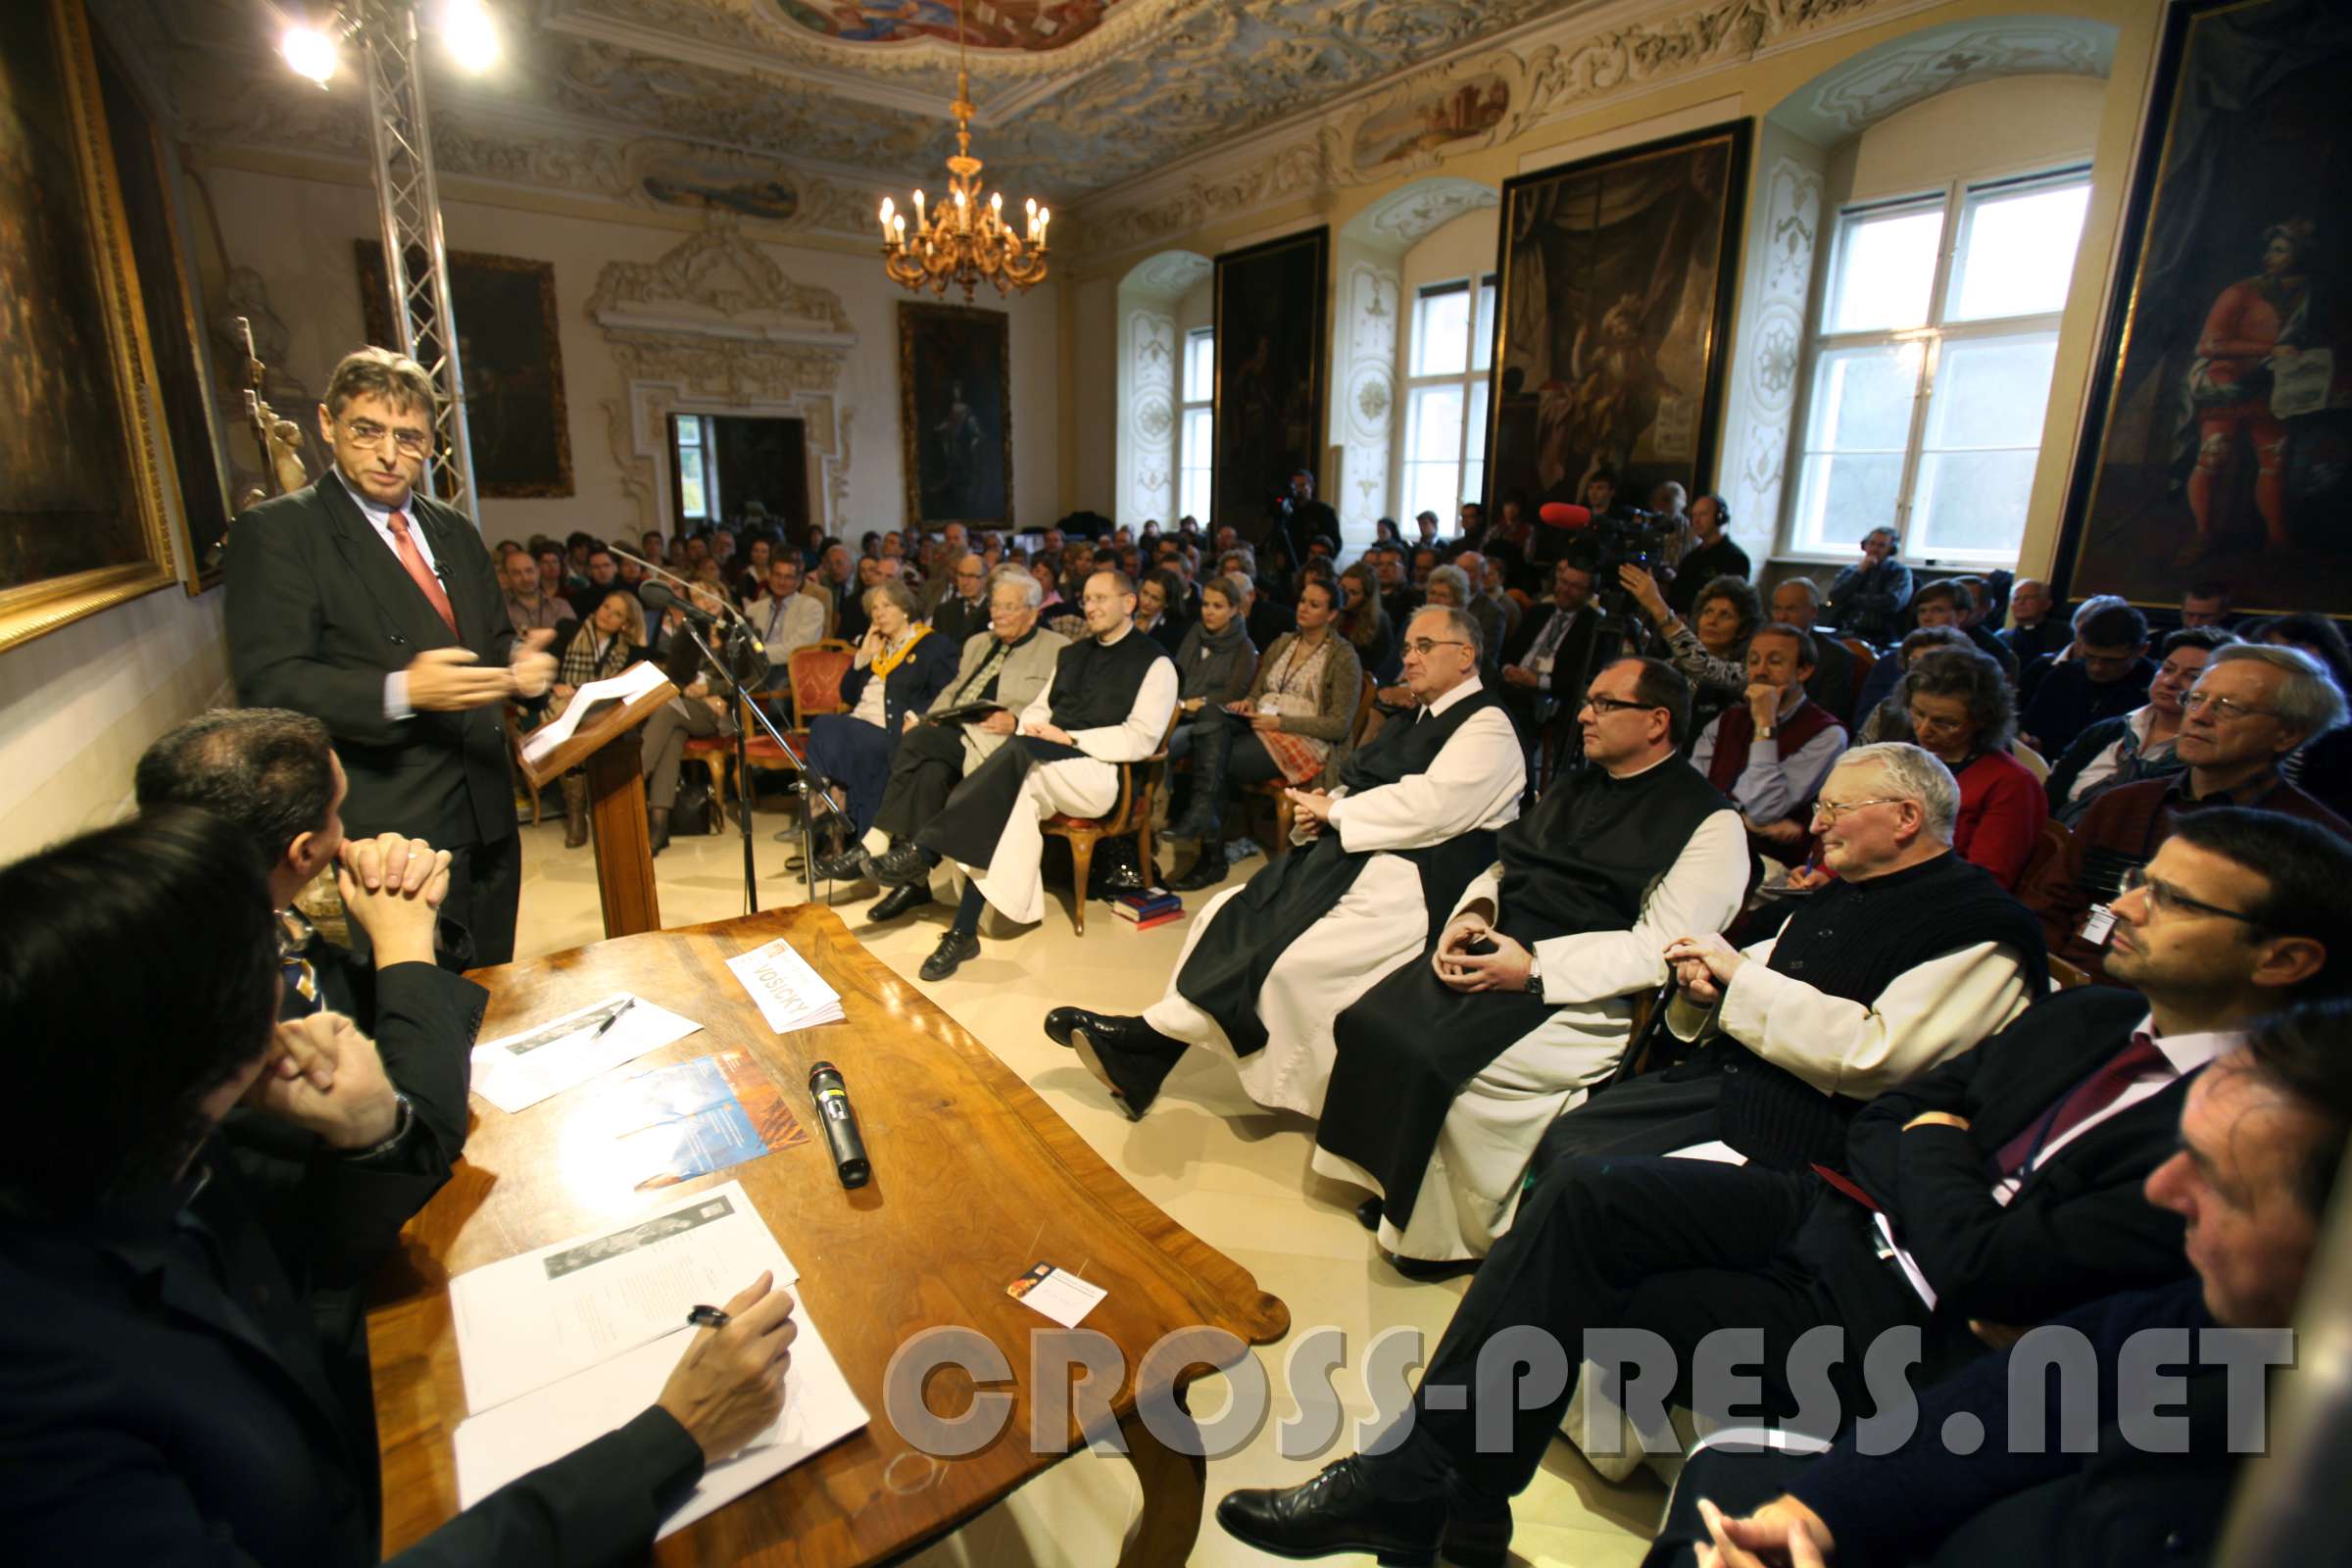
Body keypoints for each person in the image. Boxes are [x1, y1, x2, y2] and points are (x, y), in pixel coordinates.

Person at [1215, 806, 2352, 1565]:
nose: (2127, 905)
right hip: (1850, 1213)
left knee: (1574, 1290)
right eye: (2141, 880)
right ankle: (1429, 1484)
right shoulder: (2097, 1015)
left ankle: (1443, 1498)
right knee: (1590, 1194)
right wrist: (1944, 1155)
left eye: (2174, 899)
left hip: (1916, 1322)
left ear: (2286, 957)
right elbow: (1905, 1113)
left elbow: (1990, 1259)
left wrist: (1941, 1156)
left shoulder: (2265, 1125)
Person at [0, 809, 798, 1566]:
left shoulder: (146, 1154)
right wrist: (672, 1439)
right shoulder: (45, 1413)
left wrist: (371, 1132)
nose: (293, 971)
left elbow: (313, 1277)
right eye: (277, 949)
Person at [1647, 998, 2350, 1568]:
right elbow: (2006, 1402)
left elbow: (1984, 1266)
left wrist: (1934, 1149)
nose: (2165, 1190)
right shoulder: (2199, 1315)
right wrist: (1813, 1514)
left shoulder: (2304, 1493)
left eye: (2222, 1181)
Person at [1308, 657, 1745, 1267]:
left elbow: (1662, 946)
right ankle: (1396, 1185)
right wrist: (1473, 914)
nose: (1585, 715)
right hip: (1502, 942)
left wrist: (1534, 969)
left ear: (1657, 721)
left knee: (1436, 1056)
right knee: (1370, 1019)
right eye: (1587, 701)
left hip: (1582, 984)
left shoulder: (1710, 822)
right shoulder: (1575, 784)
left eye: (1604, 704)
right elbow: (1504, 865)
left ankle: (1448, 1236)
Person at [1043, 606, 1521, 1126]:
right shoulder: (1416, 718)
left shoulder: (1487, 726)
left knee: (1290, 957)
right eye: (1406, 647)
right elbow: (1367, 784)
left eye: (1424, 646)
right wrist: (1325, 808)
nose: (1408, 658)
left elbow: (1435, 807)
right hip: (1367, 852)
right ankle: (1147, 1052)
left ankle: (1146, 1043)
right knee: (1227, 911)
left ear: (1466, 655)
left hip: (1419, 878)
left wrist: (1338, 813)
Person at [1544, 743, 2043, 1174]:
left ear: (1906, 817)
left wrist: (1738, 978)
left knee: (1593, 1177)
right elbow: (1762, 974)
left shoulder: (1981, 930)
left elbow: (1878, 1059)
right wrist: (1706, 990)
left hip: (1822, 1141)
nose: (1817, 824)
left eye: (1835, 808)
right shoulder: (1847, 890)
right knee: (1569, 1136)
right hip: (1742, 1085)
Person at [223, 347, 557, 967]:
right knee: (417, 999)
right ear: (328, 423)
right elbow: (269, 685)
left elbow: (492, 638)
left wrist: (522, 666)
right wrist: (402, 691)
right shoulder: (279, 532)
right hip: (393, 822)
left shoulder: (454, 529)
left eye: (408, 438)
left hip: (488, 807)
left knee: (495, 988)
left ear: (429, 442)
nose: (387, 454)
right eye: (367, 431)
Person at [878, 570, 1177, 980]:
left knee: (1016, 761)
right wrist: (1037, 728)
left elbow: (1142, 738)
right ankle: (964, 931)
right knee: (1007, 796)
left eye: (1101, 599)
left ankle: (925, 851)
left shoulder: (1156, 662)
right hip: (1045, 762)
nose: (1090, 607)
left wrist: (1069, 737)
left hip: (1103, 773)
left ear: (1129, 603)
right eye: (1087, 599)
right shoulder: (1073, 653)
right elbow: (1039, 707)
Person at [133, 708, 488, 1039]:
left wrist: (417, 922)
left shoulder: (262, 908)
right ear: (304, 851)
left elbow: (346, 1003)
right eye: (336, 811)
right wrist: (403, 944)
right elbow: (418, 1087)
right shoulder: (218, 997)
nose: (343, 829)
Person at [2026, 644, 2350, 981]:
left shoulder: (2316, 843)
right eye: (2195, 699)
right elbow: (2048, 906)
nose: (2199, 716)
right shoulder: (2123, 803)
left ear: (2288, 734)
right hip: (2071, 984)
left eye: (2228, 707)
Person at [816, 566, 1067, 924]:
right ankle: (915, 880)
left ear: (1032, 611)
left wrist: (1016, 720)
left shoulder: (1057, 648)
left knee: (918, 742)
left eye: (1008, 607)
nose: (997, 613)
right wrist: (926, 716)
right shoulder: (978, 642)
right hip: (955, 729)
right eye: (995, 605)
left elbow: (1059, 707)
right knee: (929, 768)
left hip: (999, 740)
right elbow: (952, 690)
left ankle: (879, 840)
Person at [1164, 578, 1364, 882]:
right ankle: (1205, 826)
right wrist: (1247, 703)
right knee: (1209, 713)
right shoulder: (1284, 643)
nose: (1303, 608)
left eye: (1314, 605)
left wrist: (1281, 723)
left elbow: (1339, 724)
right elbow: (1257, 692)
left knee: (1216, 756)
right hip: (1261, 724)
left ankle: (1209, 851)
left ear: (1332, 614)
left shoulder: (1343, 656)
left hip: (1303, 738)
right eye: (1302, 601)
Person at [802, 578, 956, 857]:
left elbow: (945, 691)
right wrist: (862, 656)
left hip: (893, 729)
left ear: (905, 609)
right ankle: (829, 817)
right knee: (824, 725)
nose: (879, 613)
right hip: (859, 722)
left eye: (887, 606)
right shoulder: (877, 646)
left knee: (852, 743)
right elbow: (848, 694)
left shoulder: (933, 645)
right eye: (874, 608)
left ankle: (828, 824)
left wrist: (917, 716)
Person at [1890, 646, 2046, 890]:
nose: (1924, 730)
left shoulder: (2012, 783)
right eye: (1918, 713)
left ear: (1982, 720)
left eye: (1945, 723)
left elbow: (1984, 880)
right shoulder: (1902, 757)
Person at [1690, 621, 1844, 863]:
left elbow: (1764, 810)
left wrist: (1765, 723)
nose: (1760, 671)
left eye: (1774, 661)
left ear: (1804, 671)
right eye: (1753, 661)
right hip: (1707, 844)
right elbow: (1692, 795)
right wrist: (1747, 821)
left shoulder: (1828, 733)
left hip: (1770, 861)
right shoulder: (1727, 720)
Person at [2046, 626, 2234, 823]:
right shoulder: (2107, 731)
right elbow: (2051, 797)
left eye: (2193, 677)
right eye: (2168, 669)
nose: (2170, 682)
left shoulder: (2203, 752)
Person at [539, 591, 648, 848]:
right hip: (562, 700)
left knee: (604, 724)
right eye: (606, 606)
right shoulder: (569, 629)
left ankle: (599, 808)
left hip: (599, 707)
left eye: (617, 614)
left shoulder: (625, 649)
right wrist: (554, 685)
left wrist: (638, 637)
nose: (606, 614)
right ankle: (576, 810)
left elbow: (643, 666)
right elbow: (545, 668)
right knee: (566, 724)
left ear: (626, 624)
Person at [1157, 575, 1260, 838]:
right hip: (1176, 709)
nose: (1209, 612)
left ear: (1234, 609)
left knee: (1164, 746)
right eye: (1206, 604)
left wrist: (1200, 703)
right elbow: (1176, 674)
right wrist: (1180, 703)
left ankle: (1158, 813)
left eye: (1218, 606)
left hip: (1207, 721)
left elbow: (1233, 694)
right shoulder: (1196, 633)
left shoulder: (1244, 648)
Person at [1496, 555, 1618, 766]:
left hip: (1551, 696)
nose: (1565, 590)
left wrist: (1538, 681)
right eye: (1563, 582)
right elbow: (1509, 652)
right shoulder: (1538, 612)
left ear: (1589, 593)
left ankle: (1512, 768)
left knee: (1518, 709)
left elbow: (1583, 676)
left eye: (1575, 586)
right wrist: (1507, 669)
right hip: (1512, 682)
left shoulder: (1594, 626)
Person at [1622, 565, 1757, 747]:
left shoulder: (1744, 672)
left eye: (1725, 615)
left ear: (1743, 630)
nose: (1712, 621)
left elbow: (1701, 665)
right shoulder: (1671, 666)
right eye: (1708, 612)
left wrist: (1656, 604)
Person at [2018, 600, 2156, 758]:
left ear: (2142, 650)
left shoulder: (2154, 690)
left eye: (2111, 661)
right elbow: (2029, 728)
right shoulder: (2061, 676)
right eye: (2089, 657)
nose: (2096, 668)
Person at [1768, 576, 1858, 727]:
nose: (1781, 617)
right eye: (1777, 608)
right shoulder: (1760, 647)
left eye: (1791, 609)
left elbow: (1828, 716)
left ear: (1813, 612)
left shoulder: (1836, 657)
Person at [747, 555, 829, 699]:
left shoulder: (812, 607)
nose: (782, 581)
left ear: (798, 581)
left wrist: (758, 653)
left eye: (788, 577)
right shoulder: (753, 609)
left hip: (790, 669)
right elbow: (747, 645)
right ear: (769, 576)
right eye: (777, 575)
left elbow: (796, 650)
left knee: (775, 698)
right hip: (754, 668)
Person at [1821, 526, 1911, 647]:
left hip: (1881, 637)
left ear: (1891, 549)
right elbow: (1835, 596)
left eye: (1881, 545)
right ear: (1864, 545)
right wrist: (1859, 572)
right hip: (1845, 632)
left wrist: (1852, 598)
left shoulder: (1900, 572)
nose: (1874, 549)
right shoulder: (1851, 570)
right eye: (1872, 543)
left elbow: (1892, 603)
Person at [1664, 493, 1748, 618]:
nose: (1696, 521)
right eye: (1694, 515)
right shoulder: (1691, 558)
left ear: (1720, 517)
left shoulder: (1736, 558)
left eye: (1703, 514)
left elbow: (1731, 605)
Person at [1998, 575, 2069, 664]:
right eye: (2016, 599)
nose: (2021, 602)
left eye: (2029, 597)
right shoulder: (2002, 638)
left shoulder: (2064, 634)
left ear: (2047, 604)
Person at [501, 546, 568, 637]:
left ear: (538, 571)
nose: (525, 578)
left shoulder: (560, 606)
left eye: (529, 571)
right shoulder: (499, 610)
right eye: (516, 573)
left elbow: (573, 639)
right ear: (506, 576)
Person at [1282, 467, 1343, 559]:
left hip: (1316, 561)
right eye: (1295, 486)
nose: (1298, 490)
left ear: (1312, 486)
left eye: (1302, 485)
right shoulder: (1287, 511)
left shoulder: (1324, 511)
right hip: (1291, 563)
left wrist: (1324, 561)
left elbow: (1336, 543)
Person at [1133, 565, 1190, 655]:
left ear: (1167, 603)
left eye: (1155, 598)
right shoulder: (1125, 612)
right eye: (1145, 593)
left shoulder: (1173, 632)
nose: (1146, 602)